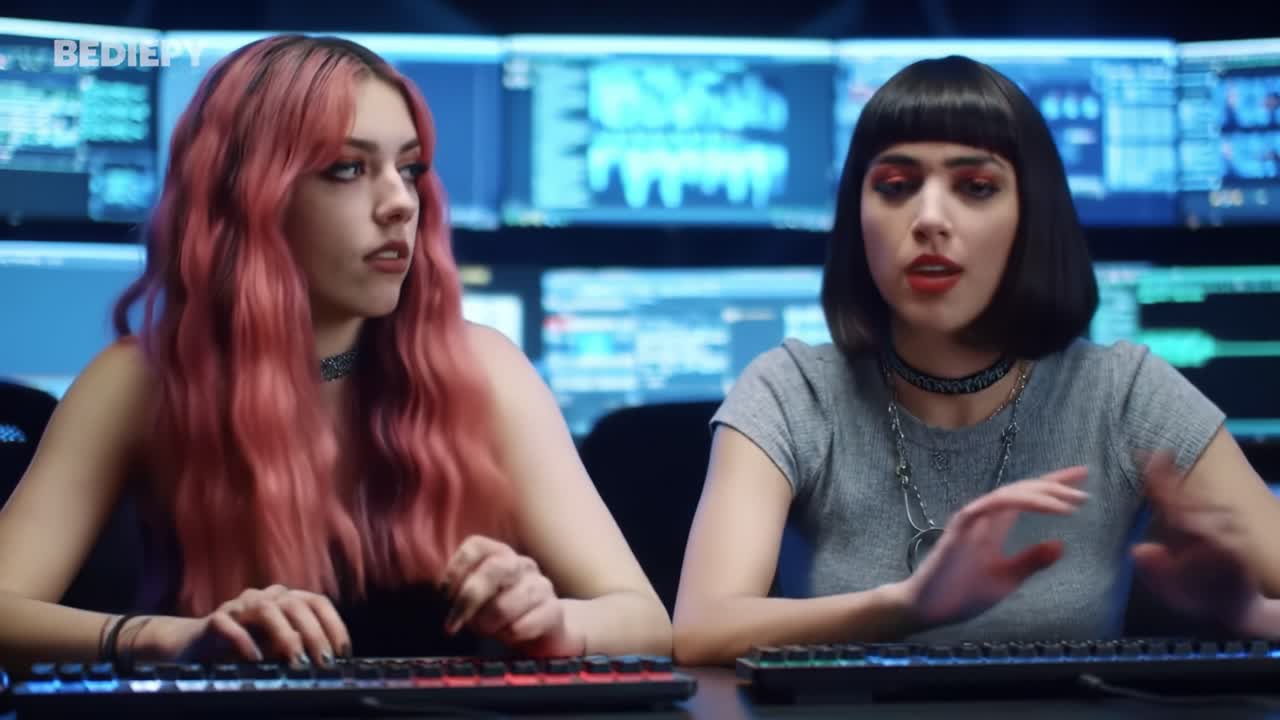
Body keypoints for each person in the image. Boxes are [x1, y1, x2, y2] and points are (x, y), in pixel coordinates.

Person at [0, 34, 670, 673]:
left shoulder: (484, 370)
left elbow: (645, 620)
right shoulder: (141, 381)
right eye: (348, 169)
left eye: (409, 169)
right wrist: (168, 640)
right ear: (248, 197)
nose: (400, 204)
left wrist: (557, 625)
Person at [672, 55, 1280, 665]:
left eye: (976, 187)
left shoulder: (1125, 391)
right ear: (858, 218)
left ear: (1031, 218)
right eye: (895, 186)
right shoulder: (792, 389)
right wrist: (907, 605)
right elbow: (701, 627)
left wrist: (1243, 615)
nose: (930, 219)